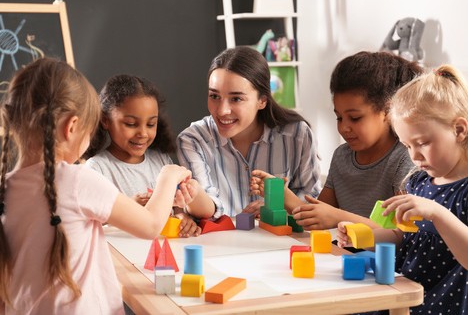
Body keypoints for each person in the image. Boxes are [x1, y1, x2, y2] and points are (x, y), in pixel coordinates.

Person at [0, 58, 193, 313]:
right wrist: (168, 176)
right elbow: (150, 225)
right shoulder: (78, 180)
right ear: (72, 127)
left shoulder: (6, 189)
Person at [336, 65, 468, 314]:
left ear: (459, 130)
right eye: (407, 145)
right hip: (404, 296)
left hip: (444, 303)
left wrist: (437, 213)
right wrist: (363, 237)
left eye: (423, 143)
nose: (415, 156)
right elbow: (402, 237)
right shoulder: (418, 182)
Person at [253, 51, 422, 230]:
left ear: (388, 112)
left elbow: (401, 233)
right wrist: (282, 195)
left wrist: (339, 217)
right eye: (339, 118)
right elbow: (317, 215)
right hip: (342, 255)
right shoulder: (342, 156)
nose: (344, 128)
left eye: (355, 118)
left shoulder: (405, 159)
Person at [177, 46, 322, 217]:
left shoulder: (297, 135)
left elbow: (311, 201)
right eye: (214, 96)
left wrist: (275, 206)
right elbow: (205, 208)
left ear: (262, 101)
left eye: (236, 99)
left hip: (285, 240)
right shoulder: (192, 140)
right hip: (219, 242)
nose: (222, 111)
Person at [85, 75, 216, 237]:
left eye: (151, 124)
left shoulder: (160, 160)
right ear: (106, 120)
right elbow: (91, 222)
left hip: (163, 251)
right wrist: (128, 208)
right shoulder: (97, 168)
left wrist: (181, 216)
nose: (143, 133)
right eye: (131, 124)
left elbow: (176, 204)